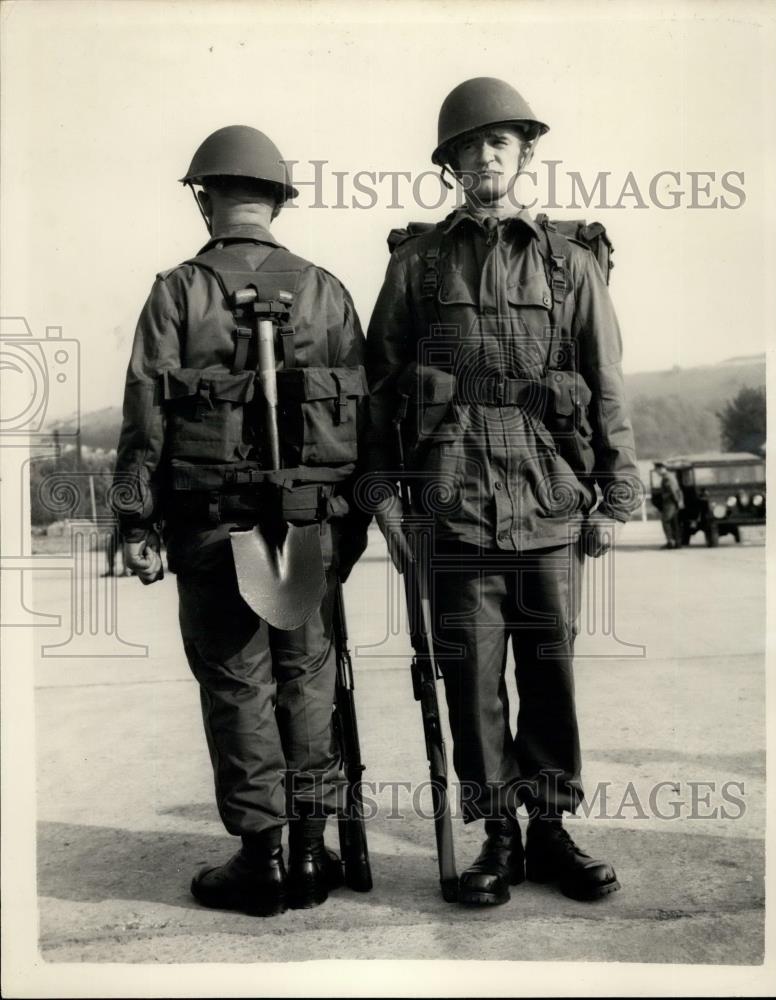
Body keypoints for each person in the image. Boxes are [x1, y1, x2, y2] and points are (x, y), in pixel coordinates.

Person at [365, 78, 640, 906]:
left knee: (549, 676)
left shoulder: (572, 262)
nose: (485, 156)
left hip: (550, 504)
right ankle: (497, 836)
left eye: (501, 143)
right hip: (450, 506)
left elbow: (606, 380)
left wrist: (616, 497)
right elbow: (377, 391)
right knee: (470, 679)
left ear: (524, 156)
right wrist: (384, 503)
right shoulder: (414, 268)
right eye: (469, 145)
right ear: (447, 161)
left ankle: (551, 831)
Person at [112, 125, 368, 917]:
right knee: (308, 679)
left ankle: (261, 860)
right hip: (308, 526)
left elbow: (144, 419)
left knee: (236, 684)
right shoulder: (327, 289)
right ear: (277, 200)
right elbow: (365, 422)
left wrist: (134, 524)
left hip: (211, 525)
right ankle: (313, 852)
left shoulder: (177, 291)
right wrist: (344, 531)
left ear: (206, 199)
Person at [653, 461, 684, 549]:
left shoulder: (667, 478)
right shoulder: (669, 476)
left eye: (657, 470)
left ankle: (670, 542)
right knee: (674, 523)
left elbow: (673, 491)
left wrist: (677, 502)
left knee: (666, 521)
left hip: (670, 503)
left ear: (661, 469)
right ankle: (677, 543)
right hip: (673, 502)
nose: (657, 472)